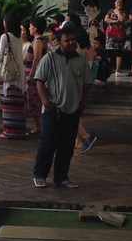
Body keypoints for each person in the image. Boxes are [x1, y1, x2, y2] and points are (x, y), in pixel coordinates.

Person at [32, 26, 90, 189]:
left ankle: (61, 177)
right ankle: (40, 175)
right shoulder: (49, 58)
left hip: (72, 110)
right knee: (48, 143)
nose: (71, 43)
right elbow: (39, 81)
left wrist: (82, 103)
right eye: (67, 40)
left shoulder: (81, 59)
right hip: (53, 109)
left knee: (67, 146)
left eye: (73, 40)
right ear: (60, 42)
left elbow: (86, 84)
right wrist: (45, 101)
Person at [0, 11, 27, 139]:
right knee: (17, 105)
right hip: (19, 73)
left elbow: (0, 55)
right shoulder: (19, 37)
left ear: (7, 23)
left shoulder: (5, 37)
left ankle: (8, 131)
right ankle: (18, 130)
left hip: (9, 74)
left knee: (8, 104)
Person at [26, 17, 49, 135]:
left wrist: (31, 75)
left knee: (35, 101)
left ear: (35, 28)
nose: (29, 28)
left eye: (30, 26)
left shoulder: (38, 41)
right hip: (35, 74)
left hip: (35, 75)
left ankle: (40, 126)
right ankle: (38, 126)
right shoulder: (39, 40)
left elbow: (36, 59)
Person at [104, 0, 128, 77]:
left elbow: (122, 20)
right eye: (117, 2)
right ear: (115, 4)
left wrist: (118, 13)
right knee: (109, 52)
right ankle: (108, 69)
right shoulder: (110, 11)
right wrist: (114, 21)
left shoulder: (124, 12)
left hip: (120, 35)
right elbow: (106, 19)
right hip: (110, 34)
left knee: (119, 52)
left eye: (120, 3)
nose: (119, 4)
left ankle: (117, 70)